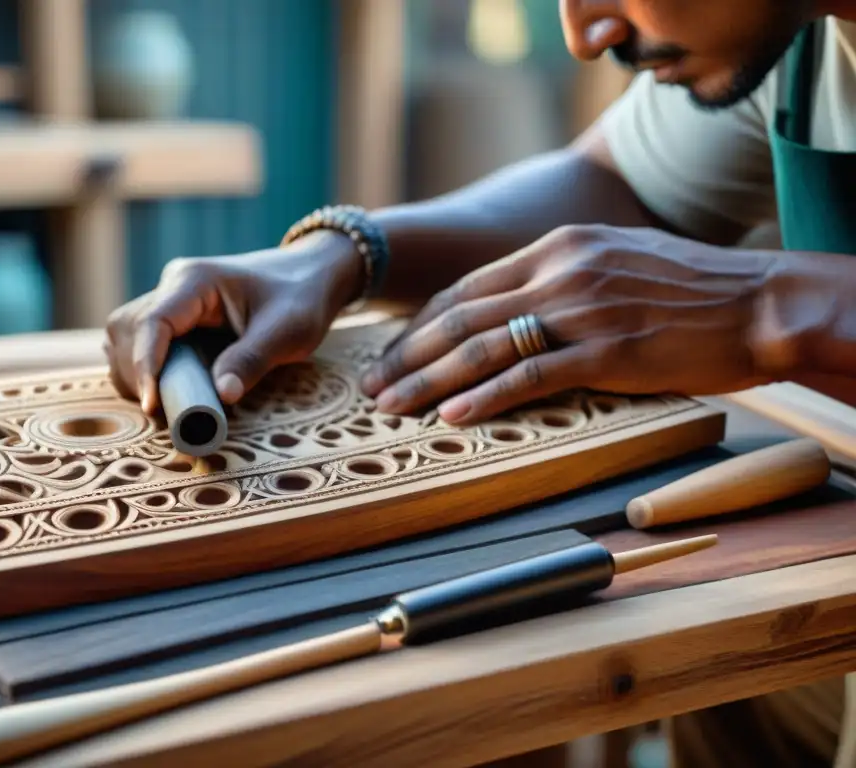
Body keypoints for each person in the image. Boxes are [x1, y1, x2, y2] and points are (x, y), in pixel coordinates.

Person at [105, 2, 856, 766]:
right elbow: (618, 181)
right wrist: (347, 253)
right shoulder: (802, 38)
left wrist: (770, 307)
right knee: (733, 683)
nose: (584, 33)